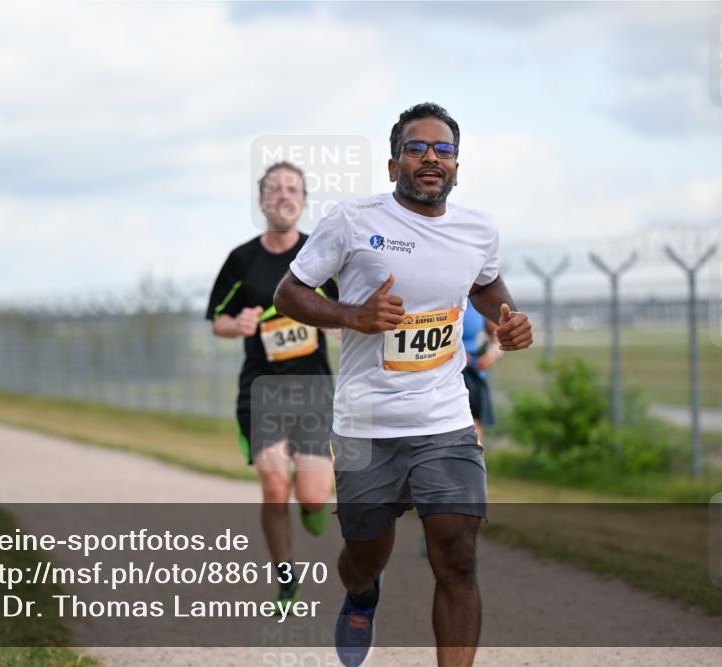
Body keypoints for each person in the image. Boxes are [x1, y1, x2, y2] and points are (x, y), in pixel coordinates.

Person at [274, 103, 533, 667]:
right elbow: (288, 293)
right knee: (363, 556)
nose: (431, 158)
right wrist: (353, 316)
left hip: (444, 419)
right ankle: (363, 596)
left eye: (443, 150)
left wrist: (506, 318)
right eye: (416, 148)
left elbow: (487, 285)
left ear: (457, 167)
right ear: (394, 166)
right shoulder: (353, 221)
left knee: (458, 557)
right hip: (368, 423)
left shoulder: (477, 230)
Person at [206, 161, 338, 611]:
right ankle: (286, 579)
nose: (283, 195)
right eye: (275, 188)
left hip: (314, 390)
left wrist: (336, 321)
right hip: (261, 391)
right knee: (275, 486)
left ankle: (313, 503)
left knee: (313, 495)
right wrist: (236, 324)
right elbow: (217, 322)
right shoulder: (242, 260)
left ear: (302, 201)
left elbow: (347, 310)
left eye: (292, 188)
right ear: (262, 200)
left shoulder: (319, 254)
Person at [461, 304, 501, 442]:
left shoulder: (476, 297)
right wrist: (454, 356)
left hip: (473, 375)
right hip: (444, 376)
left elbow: (496, 331)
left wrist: (494, 352)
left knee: (473, 430)